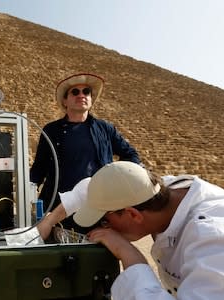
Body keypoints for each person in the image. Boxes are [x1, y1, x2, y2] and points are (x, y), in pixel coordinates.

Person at [39, 161, 224, 299]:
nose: (105, 228)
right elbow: (97, 186)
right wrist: (50, 221)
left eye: (104, 221)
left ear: (133, 214)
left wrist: (129, 254)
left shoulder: (211, 239)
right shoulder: (155, 191)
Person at [30, 73, 141, 228]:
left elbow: (131, 155)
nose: (81, 95)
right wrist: (28, 193)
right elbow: (39, 168)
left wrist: (118, 179)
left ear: (91, 98)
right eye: (75, 92)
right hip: (59, 207)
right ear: (64, 100)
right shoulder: (51, 130)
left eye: (86, 92)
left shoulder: (105, 129)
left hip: (97, 207)